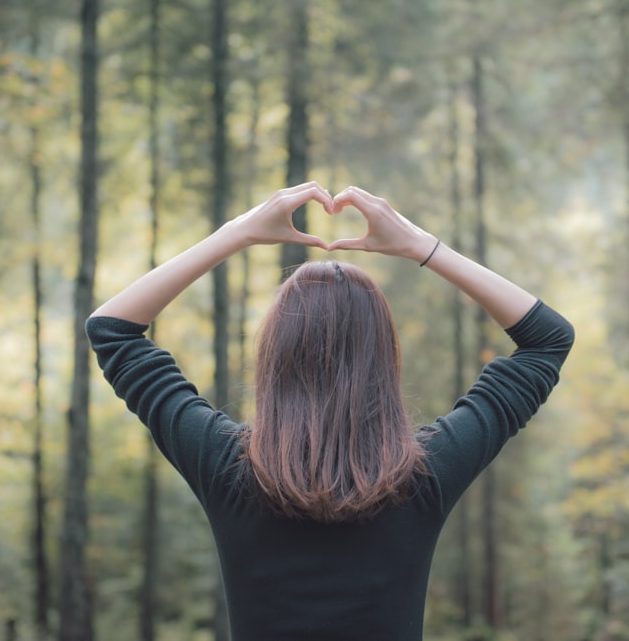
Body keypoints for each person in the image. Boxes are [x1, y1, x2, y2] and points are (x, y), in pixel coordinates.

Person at [86, 182, 574, 640]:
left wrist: (237, 233)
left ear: (274, 353)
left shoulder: (226, 466)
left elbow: (112, 329)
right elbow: (548, 341)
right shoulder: (426, 472)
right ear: (383, 354)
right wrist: (421, 246)